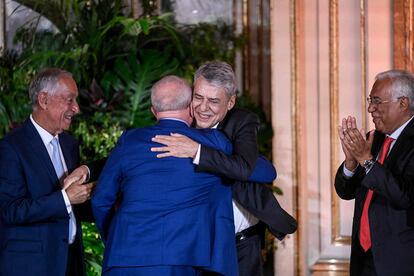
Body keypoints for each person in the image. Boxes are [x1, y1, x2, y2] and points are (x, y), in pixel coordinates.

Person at [151, 61, 297, 276]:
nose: (202, 107)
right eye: (198, 97)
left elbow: (254, 169)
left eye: (213, 101)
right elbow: (140, 148)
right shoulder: (180, 119)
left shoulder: (241, 121)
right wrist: (90, 169)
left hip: (242, 245)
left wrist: (198, 152)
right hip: (197, 243)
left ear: (230, 103)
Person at [92, 75, 244, 276]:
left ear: (153, 111)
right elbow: (254, 169)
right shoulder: (213, 142)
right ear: (191, 107)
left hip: (125, 257)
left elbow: (100, 200)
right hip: (181, 259)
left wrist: (117, 238)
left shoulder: (129, 140)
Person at [0, 68, 95, 276]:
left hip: (71, 263)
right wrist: (65, 198)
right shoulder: (10, 148)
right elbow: (11, 210)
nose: (76, 108)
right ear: (44, 100)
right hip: (33, 266)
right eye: (69, 100)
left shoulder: (69, 144)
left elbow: (76, 205)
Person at [335, 69, 414, 276]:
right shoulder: (374, 138)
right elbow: (345, 191)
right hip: (364, 257)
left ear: (403, 103)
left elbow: (405, 196)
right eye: (371, 100)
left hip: (400, 260)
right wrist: (351, 163)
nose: (371, 108)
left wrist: (366, 160)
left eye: (377, 101)